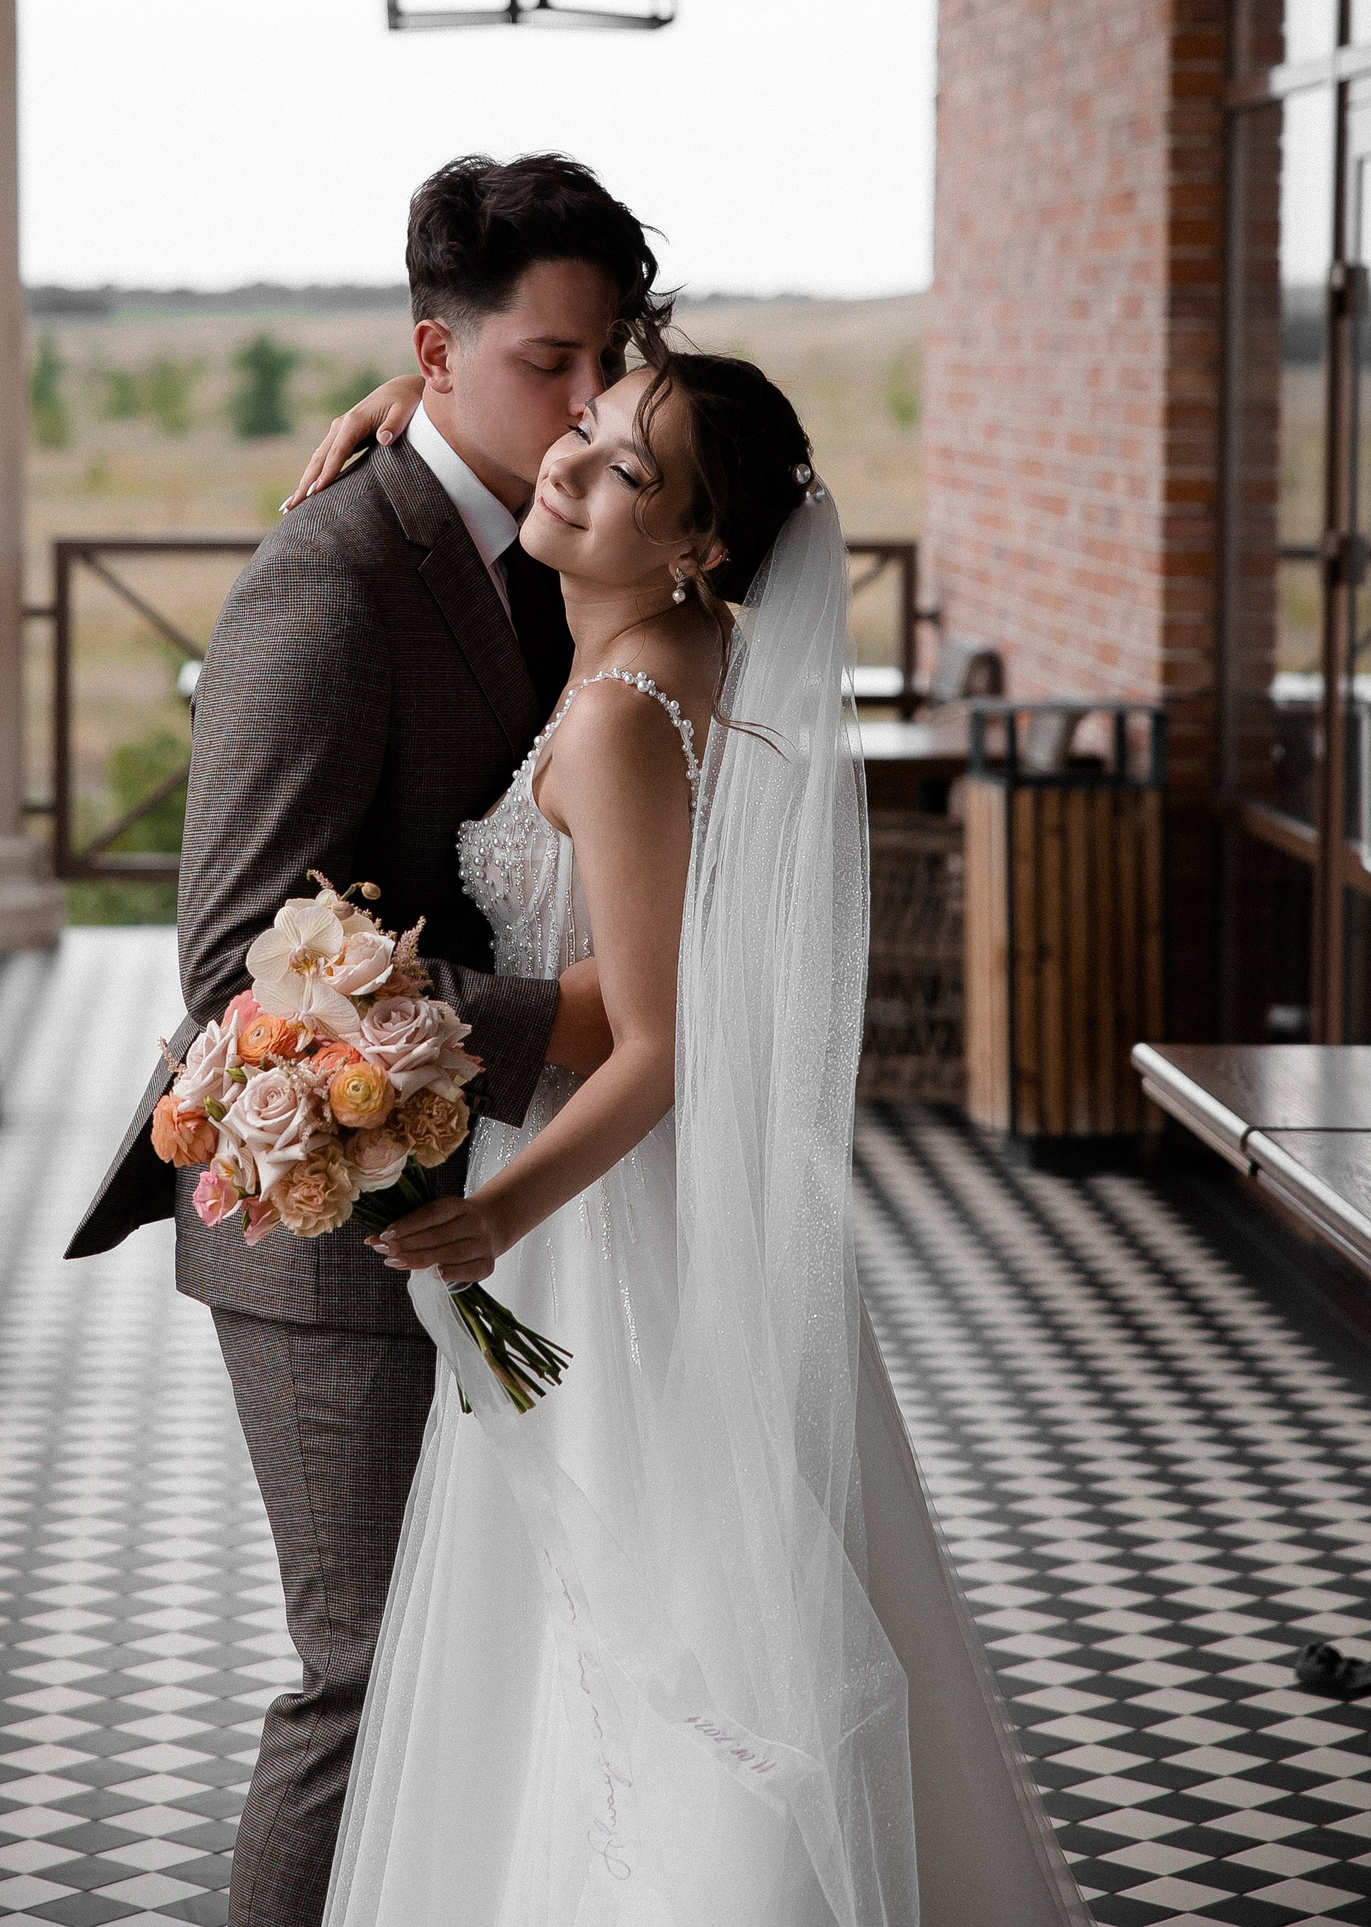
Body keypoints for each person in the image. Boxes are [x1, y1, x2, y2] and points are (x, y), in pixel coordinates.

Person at [312, 351, 1088, 1927]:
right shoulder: (693, 648)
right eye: (585, 426)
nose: (569, 463)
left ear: (700, 544)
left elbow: (657, 1046)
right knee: (715, 1593)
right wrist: (410, 397)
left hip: (604, 1223)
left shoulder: (617, 715)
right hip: (678, 1208)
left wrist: (494, 1220)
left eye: (625, 472)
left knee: (638, 1617)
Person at [66, 153, 671, 1927]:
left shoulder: (569, 527)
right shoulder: (327, 579)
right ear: (436, 351)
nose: (589, 402)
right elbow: (237, 956)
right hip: (327, 1222)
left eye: (611, 360)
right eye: (548, 363)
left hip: (524, 1206)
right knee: (371, 1676)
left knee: (496, 1663)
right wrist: (572, 1019)